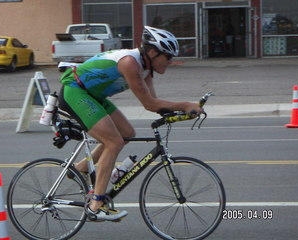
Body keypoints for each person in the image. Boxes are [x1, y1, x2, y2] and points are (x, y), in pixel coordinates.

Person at [58, 26, 202, 222]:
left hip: (94, 95)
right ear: (153, 53)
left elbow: (155, 104)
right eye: (168, 57)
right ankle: (96, 205)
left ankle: (82, 166)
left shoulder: (146, 69)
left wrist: (181, 113)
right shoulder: (129, 63)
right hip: (76, 91)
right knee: (114, 142)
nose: (170, 62)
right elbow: (149, 103)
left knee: (127, 132)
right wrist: (186, 105)